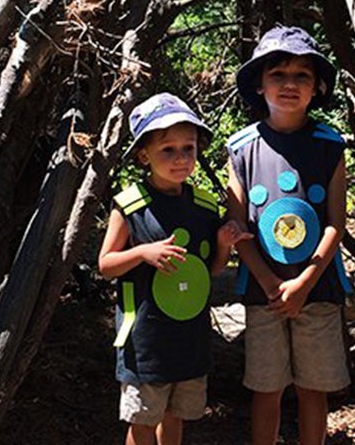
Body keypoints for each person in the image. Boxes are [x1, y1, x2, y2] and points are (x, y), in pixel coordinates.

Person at [99, 92, 250, 445]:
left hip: (189, 337)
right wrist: (143, 253)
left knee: (176, 413)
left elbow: (209, 271)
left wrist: (225, 246)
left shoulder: (203, 205)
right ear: (143, 155)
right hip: (147, 341)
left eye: (189, 148)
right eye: (168, 149)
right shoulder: (130, 205)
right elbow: (105, 265)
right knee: (143, 420)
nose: (181, 158)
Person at [226, 26, 353, 445]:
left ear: (317, 88)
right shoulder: (242, 149)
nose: (289, 84)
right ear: (259, 84)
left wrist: (303, 283)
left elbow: (336, 222)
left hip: (317, 289)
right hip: (263, 293)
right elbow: (237, 227)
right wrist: (269, 282)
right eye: (278, 74)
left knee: (312, 389)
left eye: (302, 75)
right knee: (266, 388)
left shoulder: (330, 145)